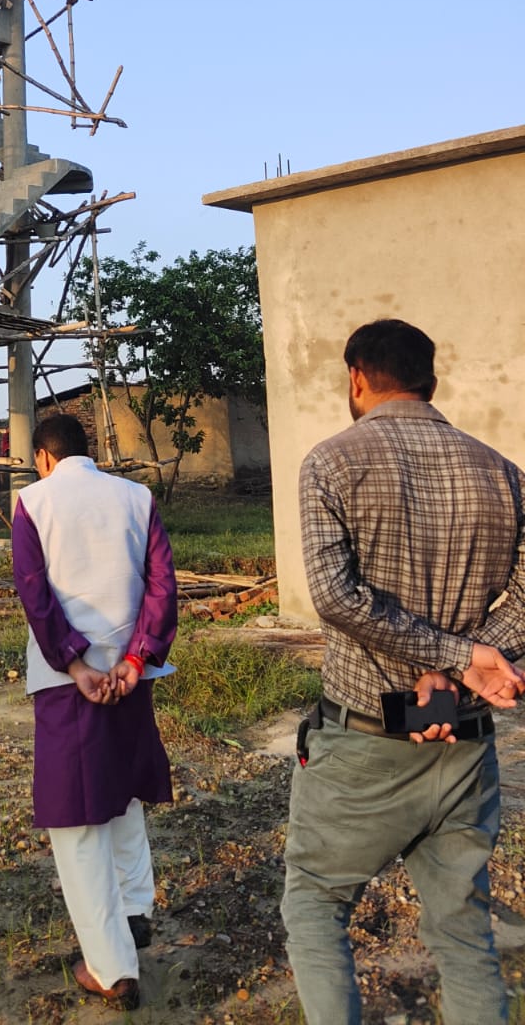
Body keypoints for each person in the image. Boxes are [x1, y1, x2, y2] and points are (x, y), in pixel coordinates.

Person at [282, 318, 525, 1025]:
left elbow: (336, 596)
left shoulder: (331, 462)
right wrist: (469, 659)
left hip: (365, 742)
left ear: (356, 378)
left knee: (316, 902)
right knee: (462, 933)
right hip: (466, 746)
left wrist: (445, 662)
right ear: (432, 382)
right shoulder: (503, 474)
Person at [11, 411, 178, 1011]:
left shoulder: (33, 502)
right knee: (124, 792)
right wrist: (135, 661)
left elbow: (34, 590)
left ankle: (111, 969)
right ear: (90, 450)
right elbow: (162, 585)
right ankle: (135, 911)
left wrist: (76, 664)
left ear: (43, 458)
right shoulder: (137, 497)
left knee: (76, 821)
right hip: (132, 676)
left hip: (66, 682)